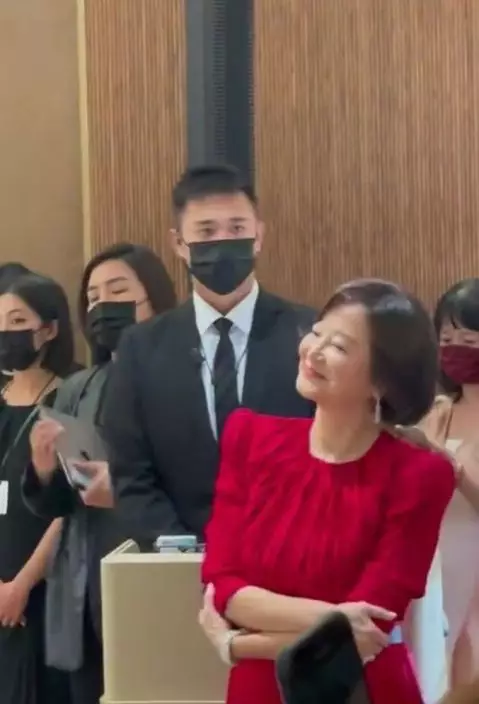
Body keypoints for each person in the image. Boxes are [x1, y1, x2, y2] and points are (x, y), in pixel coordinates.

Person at [200, 279, 456, 704]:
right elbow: (223, 588)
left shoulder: (420, 475)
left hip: (360, 690)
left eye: (338, 346)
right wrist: (336, 617)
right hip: (257, 691)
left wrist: (236, 644)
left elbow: (367, 632)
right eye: (316, 333)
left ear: (381, 382)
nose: (313, 351)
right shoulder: (249, 437)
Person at [101, 164, 318, 547]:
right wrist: (187, 554)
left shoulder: (309, 334)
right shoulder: (141, 348)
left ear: (258, 236)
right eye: (206, 232)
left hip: (294, 554)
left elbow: (334, 456)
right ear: (179, 244)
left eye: (236, 229)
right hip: (180, 563)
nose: (222, 242)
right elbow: (131, 476)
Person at [22, 243, 177, 704]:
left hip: (155, 572)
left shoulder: (185, 378)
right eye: (92, 297)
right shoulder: (78, 387)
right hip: (83, 579)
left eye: (118, 291)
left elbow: (200, 479)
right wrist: (44, 470)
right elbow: (59, 503)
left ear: (154, 298)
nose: (103, 305)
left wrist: (123, 488)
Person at [0, 272, 74, 704]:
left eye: (16, 321)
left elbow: (71, 508)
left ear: (48, 329)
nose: (4, 334)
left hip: (40, 588)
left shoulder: (69, 397)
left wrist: (21, 585)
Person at [419, 279, 479, 688]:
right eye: (446, 340)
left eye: (469, 340)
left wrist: (456, 473)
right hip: (435, 566)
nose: (455, 349)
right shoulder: (438, 411)